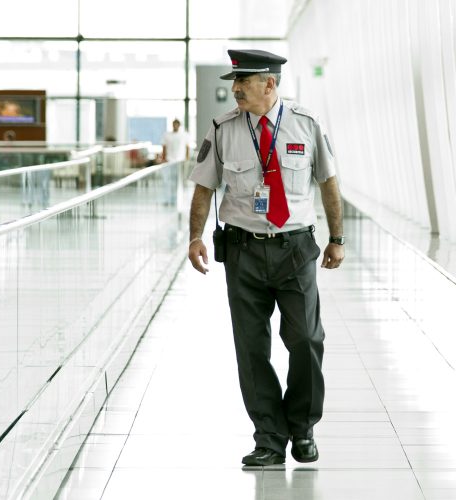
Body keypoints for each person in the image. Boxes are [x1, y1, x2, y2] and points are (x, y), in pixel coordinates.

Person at [187, 49, 345, 467]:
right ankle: (269, 438)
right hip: (242, 251)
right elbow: (204, 185)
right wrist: (194, 237)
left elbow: (328, 183)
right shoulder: (223, 128)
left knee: (308, 339)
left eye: (244, 82)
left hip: (295, 248)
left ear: (270, 84)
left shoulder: (306, 125)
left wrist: (338, 238)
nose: (235, 89)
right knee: (251, 348)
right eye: (234, 82)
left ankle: (303, 427)